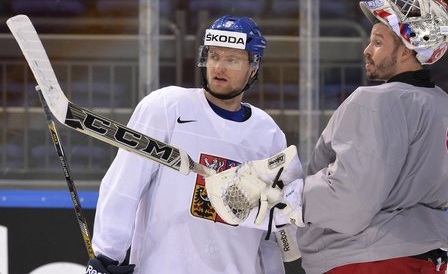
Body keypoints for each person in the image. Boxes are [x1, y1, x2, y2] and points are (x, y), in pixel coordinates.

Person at [87, 15, 300, 274]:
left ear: (253, 68)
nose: (219, 68)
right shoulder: (166, 108)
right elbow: (124, 186)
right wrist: (107, 256)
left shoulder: (268, 134)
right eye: (213, 56)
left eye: (232, 60)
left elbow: (271, 229)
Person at [296, 0, 448, 274]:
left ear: (407, 50)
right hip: (427, 258)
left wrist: (291, 196)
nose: (367, 50)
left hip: (365, 259)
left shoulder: (373, 101)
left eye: (377, 42)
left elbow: (349, 202)